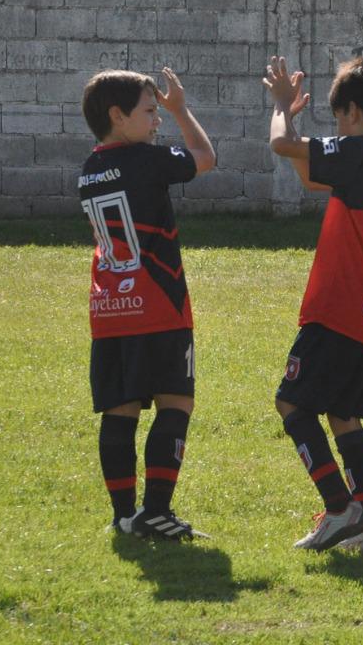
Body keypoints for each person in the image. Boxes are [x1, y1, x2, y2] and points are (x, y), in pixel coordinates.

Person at [266, 55, 363, 553]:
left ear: (351, 112)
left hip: (342, 306)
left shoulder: (359, 151)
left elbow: (281, 144)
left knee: (292, 401)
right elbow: (311, 178)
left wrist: (284, 107)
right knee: (343, 413)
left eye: (337, 119)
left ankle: (339, 506)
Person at [79, 67, 215, 540]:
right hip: (158, 305)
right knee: (176, 400)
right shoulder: (146, 161)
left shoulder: (90, 168)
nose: (157, 121)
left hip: (109, 308)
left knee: (120, 409)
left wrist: (164, 111)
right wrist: (182, 109)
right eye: (150, 112)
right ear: (118, 116)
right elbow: (204, 157)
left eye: (160, 112)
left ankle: (123, 515)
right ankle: (156, 511)